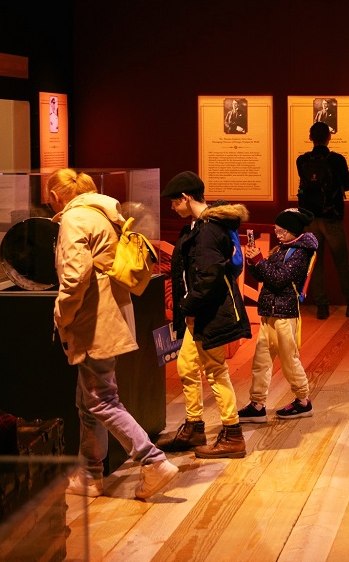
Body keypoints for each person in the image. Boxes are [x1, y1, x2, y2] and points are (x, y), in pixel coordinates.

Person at [46, 168, 178, 500]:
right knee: (88, 400)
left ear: (55, 196)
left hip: (95, 319)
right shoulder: (104, 214)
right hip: (111, 313)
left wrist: (61, 314)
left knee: (101, 399)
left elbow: (75, 278)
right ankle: (90, 475)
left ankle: (153, 461)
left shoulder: (75, 219)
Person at [158, 171, 251, 459]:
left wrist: (188, 306)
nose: (173, 208)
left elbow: (209, 276)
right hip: (197, 313)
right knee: (187, 366)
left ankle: (233, 435)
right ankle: (194, 427)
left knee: (215, 371)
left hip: (208, 313)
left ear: (186, 197)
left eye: (175, 202)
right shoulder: (199, 226)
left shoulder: (208, 230)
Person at [237, 207, 318, 422]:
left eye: (282, 231)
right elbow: (264, 276)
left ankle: (303, 401)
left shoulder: (300, 253)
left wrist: (260, 261)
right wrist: (253, 262)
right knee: (261, 361)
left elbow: (279, 279)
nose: (278, 235)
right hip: (269, 312)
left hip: (285, 314)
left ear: (294, 230)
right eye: (276, 230)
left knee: (289, 360)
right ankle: (257, 404)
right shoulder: (282, 249)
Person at [296, 121, 349, 320]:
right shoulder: (337, 160)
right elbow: (346, 186)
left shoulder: (301, 160)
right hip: (331, 218)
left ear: (310, 137)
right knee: (342, 262)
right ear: (329, 137)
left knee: (316, 263)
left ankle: (322, 307)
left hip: (310, 219)